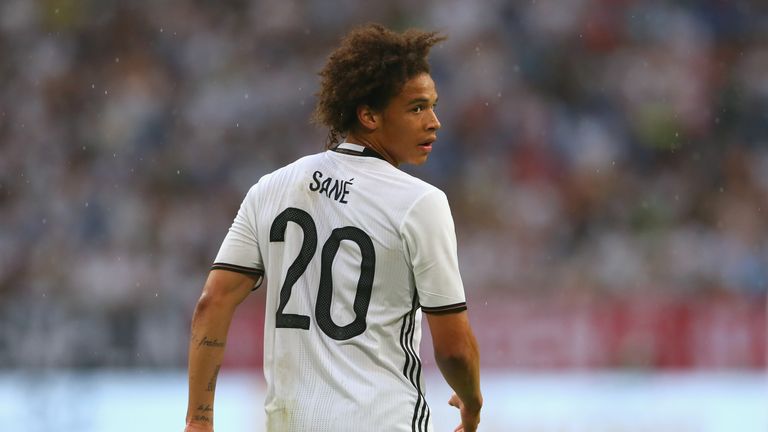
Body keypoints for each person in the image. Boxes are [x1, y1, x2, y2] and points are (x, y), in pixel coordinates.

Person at [184, 23, 482, 432]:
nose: (434, 122)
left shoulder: (269, 188)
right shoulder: (421, 203)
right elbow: (453, 350)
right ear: (369, 115)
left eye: (433, 105)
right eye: (417, 107)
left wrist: (198, 420)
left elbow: (211, 303)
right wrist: (472, 402)